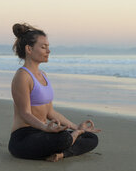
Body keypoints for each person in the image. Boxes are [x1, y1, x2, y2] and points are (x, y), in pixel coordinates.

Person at [8, 23, 100, 162]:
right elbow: (25, 113)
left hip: (44, 133)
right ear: (29, 49)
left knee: (91, 138)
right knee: (63, 138)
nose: (48, 51)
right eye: (43, 47)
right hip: (24, 138)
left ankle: (61, 154)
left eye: (48, 47)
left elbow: (50, 112)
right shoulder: (22, 76)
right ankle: (69, 142)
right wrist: (45, 128)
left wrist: (77, 127)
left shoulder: (43, 75)